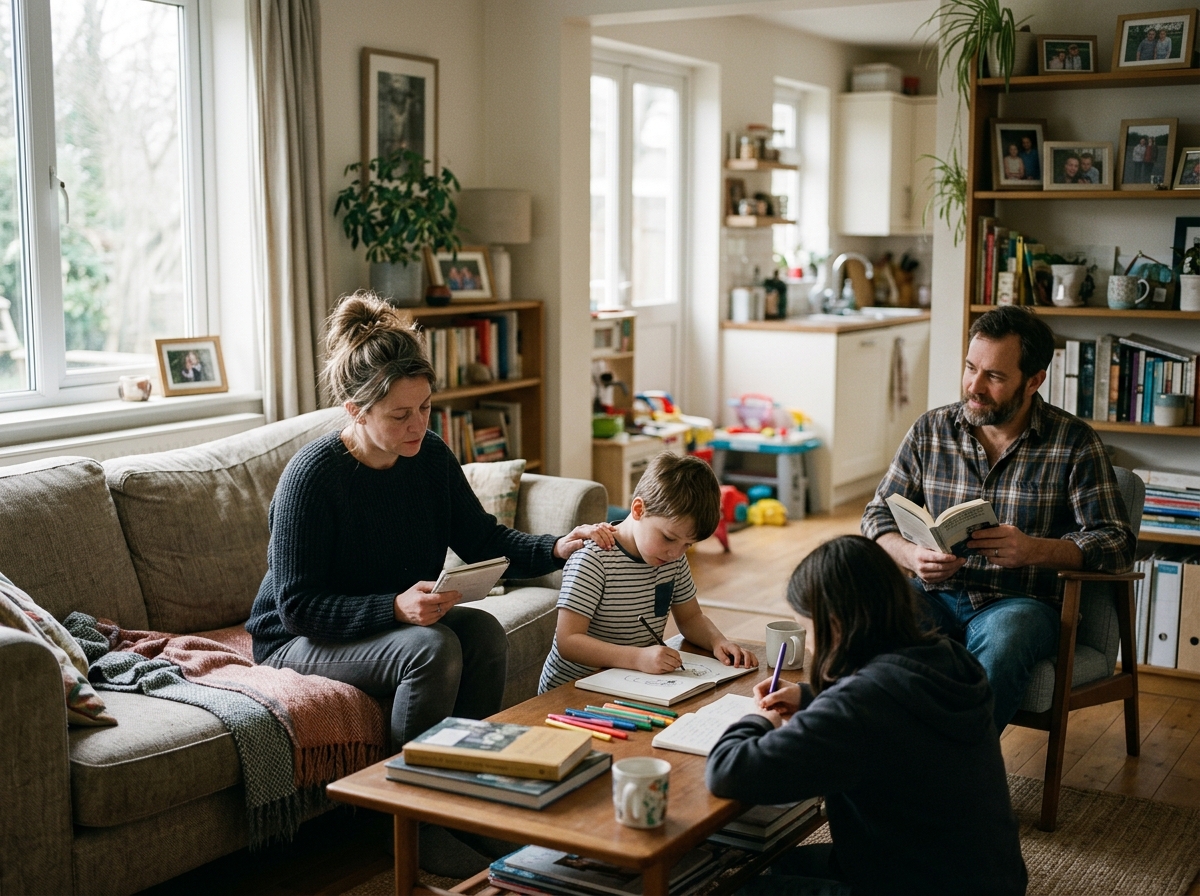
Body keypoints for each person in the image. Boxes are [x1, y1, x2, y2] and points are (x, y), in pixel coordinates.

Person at [245, 292, 616, 871]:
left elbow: (484, 539)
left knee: (485, 633)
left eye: (425, 409)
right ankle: (411, 819)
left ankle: (468, 793)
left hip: (380, 623)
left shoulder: (431, 456)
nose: (419, 424)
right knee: (432, 647)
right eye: (401, 415)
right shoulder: (312, 479)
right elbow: (296, 608)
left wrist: (557, 547)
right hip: (296, 639)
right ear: (355, 410)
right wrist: (394, 607)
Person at [860, 306, 1135, 732]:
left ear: (1034, 381)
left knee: (1007, 639)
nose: (974, 386)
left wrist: (1034, 550)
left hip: (1020, 604)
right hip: (933, 592)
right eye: (971, 368)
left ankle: (960, 777)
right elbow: (877, 513)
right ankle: (873, 762)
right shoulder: (931, 430)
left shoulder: (1074, 443)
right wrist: (912, 555)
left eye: (995, 376)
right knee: (867, 617)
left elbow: (1118, 542)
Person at [706, 536, 1028, 896]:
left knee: (735, 890)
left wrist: (758, 720)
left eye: (810, 632)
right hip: (992, 879)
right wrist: (809, 697)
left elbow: (728, 772)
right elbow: (890, 714)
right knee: (772, 861)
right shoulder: (948, 657)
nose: (811, 646)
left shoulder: (858, 706)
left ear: (836, 627)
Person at [537, 453, 757, 693]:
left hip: (631, 683)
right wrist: (637, 658)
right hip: (570, 691)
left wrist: (718, 641)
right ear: (639, 509)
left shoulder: (672, 558)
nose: (676, 552)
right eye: (669, 538)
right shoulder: (593, 559)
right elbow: (569, 642)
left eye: (687, 545)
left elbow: (691, 617)